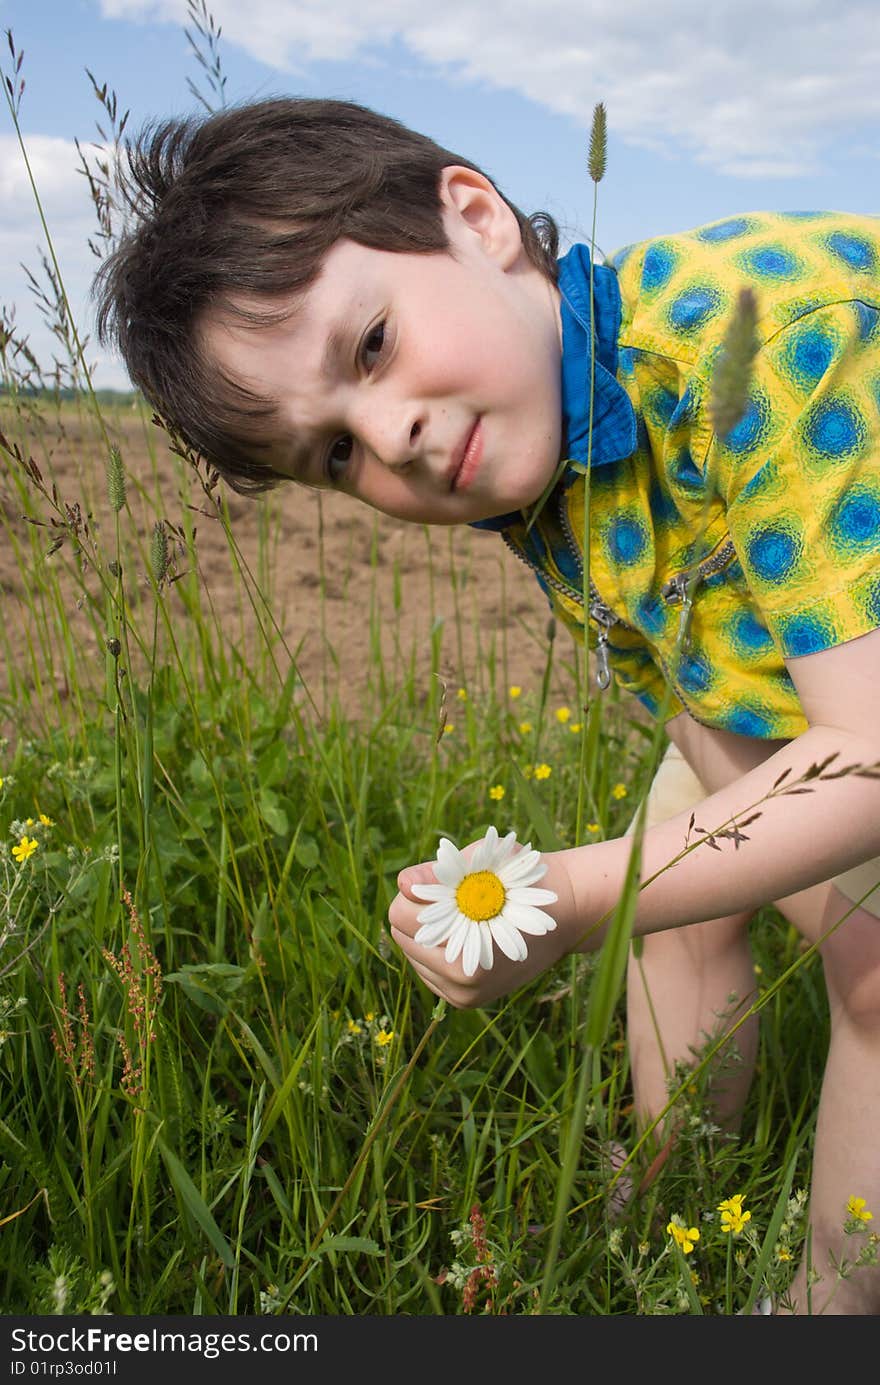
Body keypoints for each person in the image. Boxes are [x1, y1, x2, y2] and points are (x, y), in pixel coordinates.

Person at [95, 96, 880, 1314]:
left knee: (873, 970)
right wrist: (686, 871)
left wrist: (575, 895)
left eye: (368, 349)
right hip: (815, 700)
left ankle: (832, 1303)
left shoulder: (769, 347)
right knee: (678, 893)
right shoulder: (535, 464)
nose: (389, 435)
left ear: (474, 218)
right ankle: (679, 1193)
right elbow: (692, 694)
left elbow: (870, 757)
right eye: (335, 455)